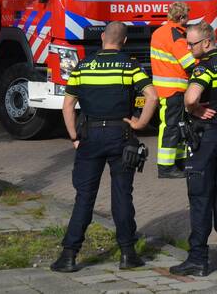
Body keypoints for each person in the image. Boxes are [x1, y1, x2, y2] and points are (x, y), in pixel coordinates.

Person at [51, 21, 157, 273]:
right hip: (120, 135)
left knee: (84, 198)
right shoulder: (129, 65)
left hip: (90, 137)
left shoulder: (83, 66)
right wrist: (140, 123)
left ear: (102, 40)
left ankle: (69, 255)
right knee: (122, 195)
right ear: (124, 42)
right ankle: (127, 254)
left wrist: (74, 136)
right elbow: (152, 95)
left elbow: (68, 106)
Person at [170, 22, 217, 277]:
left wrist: (196, 109)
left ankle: (198, 260)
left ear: (206, 42)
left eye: (191, 44)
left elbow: (190, 98)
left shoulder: (204, 67)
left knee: (201, 199)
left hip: (207, 137)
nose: (188, 49)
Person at [150, 1, 196, 178]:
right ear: (182, 17)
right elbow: (189, 63)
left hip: (165, 88)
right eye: (187, 16)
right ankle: (166, 167)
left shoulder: (159, 32)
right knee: (172, 127)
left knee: (176, 126)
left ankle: (177, 162)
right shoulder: (176, 36)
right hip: (175, 89)